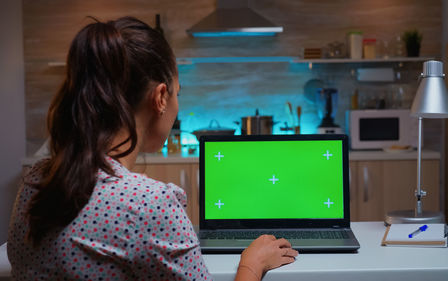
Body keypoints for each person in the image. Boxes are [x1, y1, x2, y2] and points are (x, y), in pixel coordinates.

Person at [7, 16, 298, 281]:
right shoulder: (148, 204)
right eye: (177, 93)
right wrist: (252, 263)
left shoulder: (35, 182)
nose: (176, 104)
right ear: (160, 97)